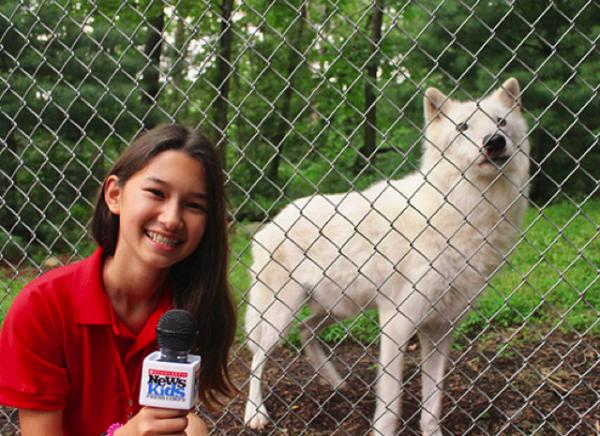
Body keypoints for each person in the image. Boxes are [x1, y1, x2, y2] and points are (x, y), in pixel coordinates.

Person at [0, 124, 237, 435]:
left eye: (194, 205)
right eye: (156, 193)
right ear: (114, 195)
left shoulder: (190, 310)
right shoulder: (42, 307)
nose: (171, 219)